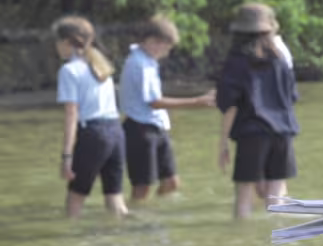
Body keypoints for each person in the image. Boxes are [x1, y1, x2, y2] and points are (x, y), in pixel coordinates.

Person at [119, 14, 215, 202]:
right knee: (142, 186)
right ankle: (136, 214)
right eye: (165, 46)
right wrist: (196, 102)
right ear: (151, 41)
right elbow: (154, 102)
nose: (166, 52)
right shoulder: (139, 63)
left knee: (171, 182)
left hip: (155, 126)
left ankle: (150, 213)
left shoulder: (148, 61)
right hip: (140, 129)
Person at [216, 3, 299, 219]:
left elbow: (230, 105)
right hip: (283, 132)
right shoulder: (280, 60)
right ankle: (276, 237)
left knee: (244, 195)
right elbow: (291, 97)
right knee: (276, 197)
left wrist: (223, 143)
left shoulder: (235, 63)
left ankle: (242, 237)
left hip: (252, 133)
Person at [51, 15, 128, 218]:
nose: (56, 46)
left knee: (75, 199)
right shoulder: (101, 65)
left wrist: (66, 156)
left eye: (57, 41)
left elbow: (71, 114)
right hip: (116, 132)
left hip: (93, 134)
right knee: (116, 201)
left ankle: (72, 236)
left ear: (67, 42)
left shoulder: (68, 71)